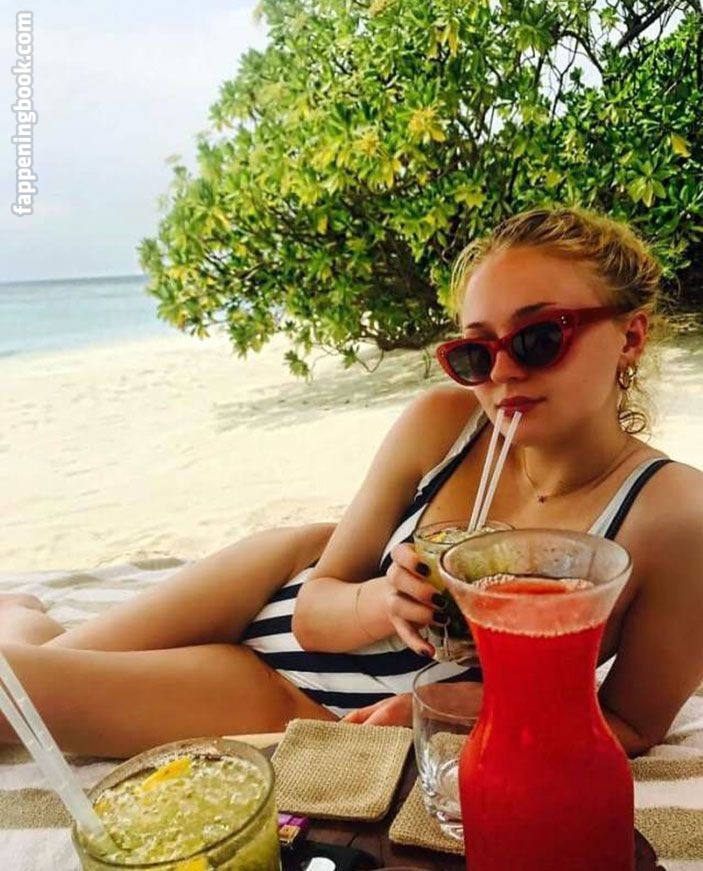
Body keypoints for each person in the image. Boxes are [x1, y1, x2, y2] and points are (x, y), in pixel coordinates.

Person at [1, 207, 701, 759]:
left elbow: (631, 721)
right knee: (43, 666)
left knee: (14, 699)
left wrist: (464, 714)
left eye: (538, 338)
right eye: (473, 352)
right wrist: (382, 599)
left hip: (292, 697)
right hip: (271, 581)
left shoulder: (673, 517)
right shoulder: (445, 424)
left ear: (631, 336)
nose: (502, 372)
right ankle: (26, 619)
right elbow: (316, 607)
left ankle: (24, 621)